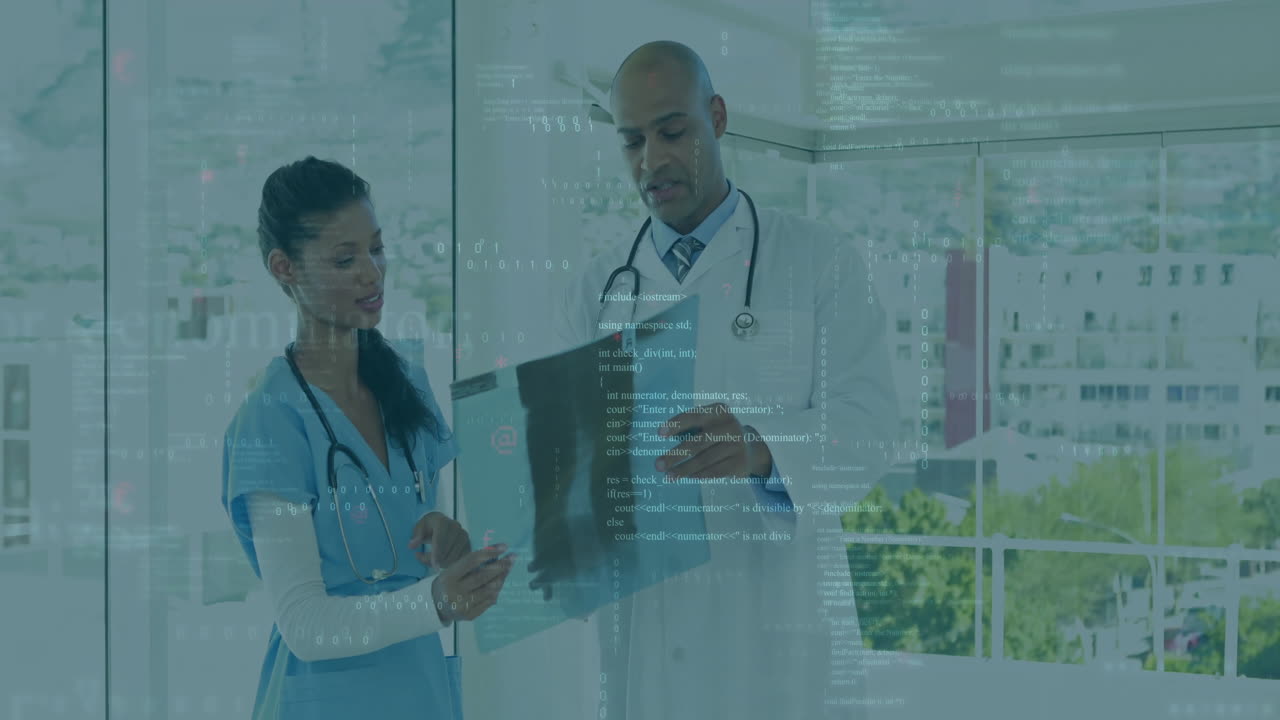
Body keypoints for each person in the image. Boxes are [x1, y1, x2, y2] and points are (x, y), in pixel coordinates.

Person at [554, 42, 900, 719]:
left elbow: (868, 432)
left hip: (772, 637)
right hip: (643, 631)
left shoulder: (818, 262)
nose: (652, 161)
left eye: (672, 131)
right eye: (632, 141)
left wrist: (761, 448)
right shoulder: (597, 288)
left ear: (716, 116)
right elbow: (570, 460)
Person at [221, 156, 515, 719]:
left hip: (420, 690)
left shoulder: (405, 381)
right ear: (284, 268)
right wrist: (436, 599)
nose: (372, 272)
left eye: (376, 249)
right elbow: (305, 625)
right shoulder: (271, 421)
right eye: (344, 259)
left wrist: (448, 544)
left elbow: (414, 549)